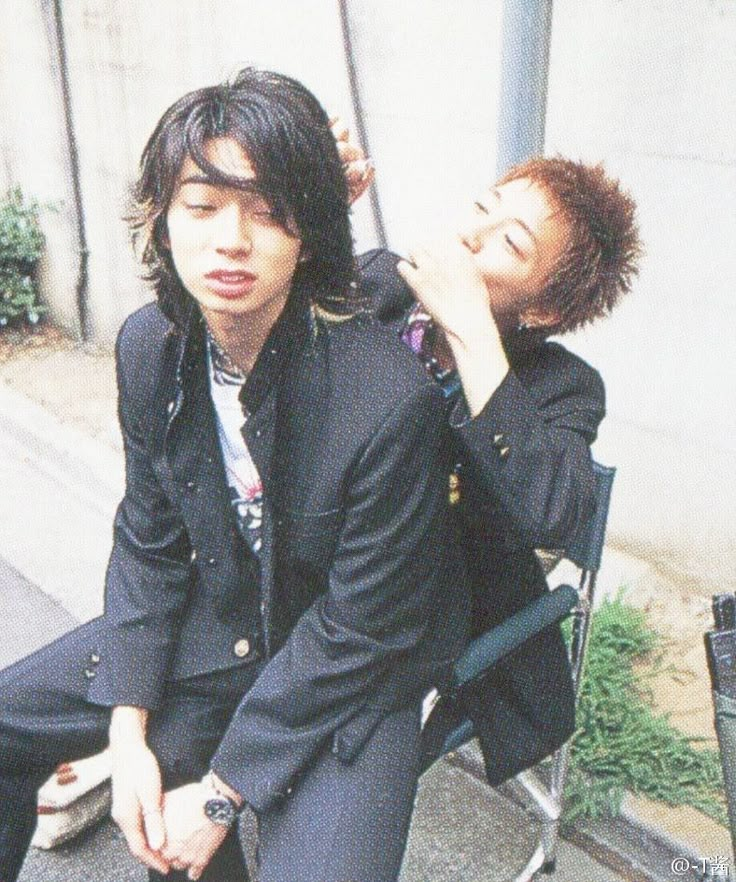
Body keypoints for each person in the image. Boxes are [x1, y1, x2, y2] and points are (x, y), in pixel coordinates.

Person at [0, 69, 468, 882]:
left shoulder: (386, 399)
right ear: (160, 217)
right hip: (222, 623)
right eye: (203, 205)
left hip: (351, 667)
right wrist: (127, 730)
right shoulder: (151, 345)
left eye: (268, 211)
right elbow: (149, 540)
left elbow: (362, 629)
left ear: (310, 236)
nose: (231, 240)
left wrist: (219, 796)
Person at [337, 132, 642, 785]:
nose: (472, 235)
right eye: (483, 207)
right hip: (319, 579)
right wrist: (319, 206)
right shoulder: (380, 288)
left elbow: (554, 514)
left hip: (416, 620)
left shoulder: (563, 387)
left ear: (544, 306)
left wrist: (470, 330)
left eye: (510, 242)